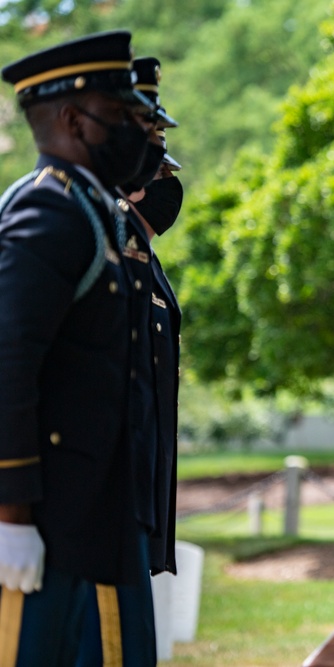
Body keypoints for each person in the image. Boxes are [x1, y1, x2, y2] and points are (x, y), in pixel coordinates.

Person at [0, 31, 157, 666]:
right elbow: (8, 363)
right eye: (119, 116)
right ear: (72, 119)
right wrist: (11, 516)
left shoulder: (94, 210)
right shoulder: (50, 210)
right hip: (50, 522)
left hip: (92, 515)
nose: (135, 131)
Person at [76, 56, 184, 667]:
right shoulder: (85, 228)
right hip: (90, 502)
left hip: (129, 494)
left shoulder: (138, 247)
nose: (164, 179)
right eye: (152, 154)